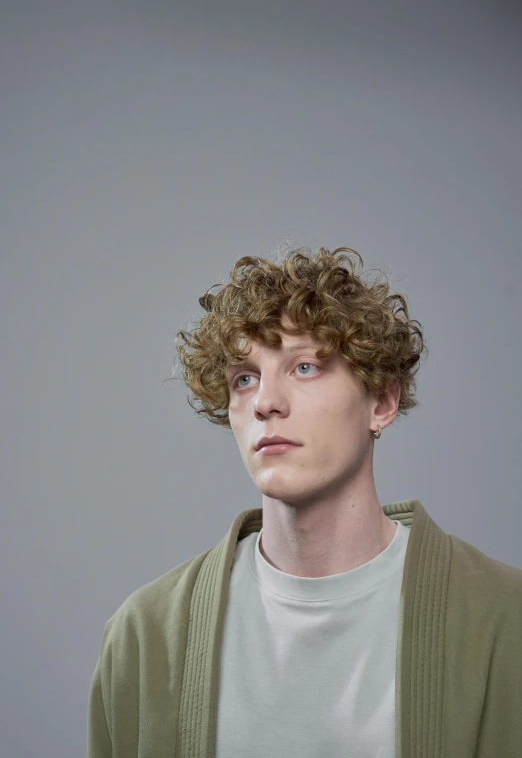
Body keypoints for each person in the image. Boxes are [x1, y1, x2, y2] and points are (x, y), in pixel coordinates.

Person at [87, 245, 522, 758]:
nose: (266, 401)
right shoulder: (144, 634)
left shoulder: (504, 618)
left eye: (305, 368)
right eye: (243, 378)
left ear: (381, 401)